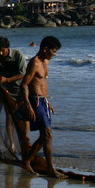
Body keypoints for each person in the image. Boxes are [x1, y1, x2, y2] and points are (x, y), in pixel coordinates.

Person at [22, 36, 66, 178]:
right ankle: (51, 169)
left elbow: (42, 84)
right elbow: (24, 85)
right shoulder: (34, 63)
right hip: (36, 102)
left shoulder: (45, 61)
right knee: (47, 135)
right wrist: (28, 105)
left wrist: (48, 101)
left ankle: (27, 161)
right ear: (45, 49)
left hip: (44, 101)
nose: (55, 54)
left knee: (44, 137)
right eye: (53, 51)